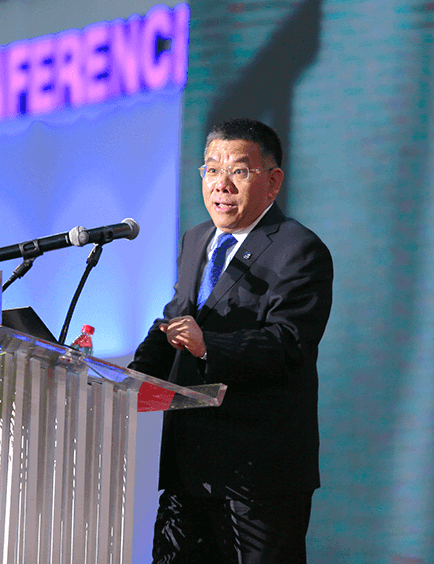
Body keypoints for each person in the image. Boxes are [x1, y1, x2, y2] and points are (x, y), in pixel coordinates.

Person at [128, 118, 334, 563]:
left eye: (238, 170)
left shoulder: (299, 249)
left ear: (273, 181)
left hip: (258, 473)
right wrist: (127, 377)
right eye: (211, 169)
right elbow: (177, 317)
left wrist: (208, 347)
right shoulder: (197, 239)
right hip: (189, 467)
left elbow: (288, 344)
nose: (221, 183)